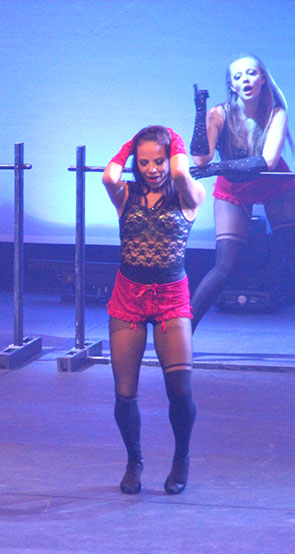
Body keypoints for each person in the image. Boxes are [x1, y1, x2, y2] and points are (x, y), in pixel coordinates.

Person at [188, 54, 295, 364]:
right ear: (231, 85)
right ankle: (182, 335)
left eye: (251, 73)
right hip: (233, 186)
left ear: (262, 78)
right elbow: (200, 159)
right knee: (224, 265)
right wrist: (200, 114)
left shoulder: (276, 112)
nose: (246, 80)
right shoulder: (219, 114)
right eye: (238, 77)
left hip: (273, 182)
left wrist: (219, 167)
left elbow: (267, 161)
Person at [102, 126, 206, 495]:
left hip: (171, 299)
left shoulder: (189, 194)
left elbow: (179, 171)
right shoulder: (125, 194)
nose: (152, 169)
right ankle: (134, 460)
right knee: (124, 392)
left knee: (179, 390)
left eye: (158, 161)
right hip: (128, 296)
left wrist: (175, 141)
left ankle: (181, 459)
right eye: (143, 162)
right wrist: (129, 145)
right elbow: (108, 176)